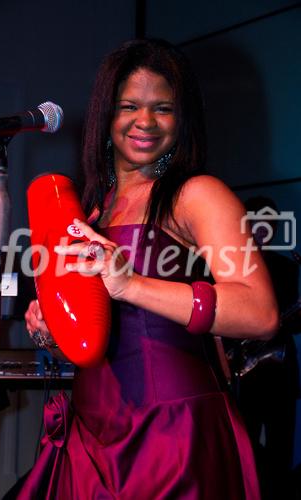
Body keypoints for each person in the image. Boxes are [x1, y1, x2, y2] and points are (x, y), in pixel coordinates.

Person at [19, 39, 278, 499]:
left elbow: (260, 313)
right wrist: (51, 331)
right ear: (106, 115)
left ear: (182, 120)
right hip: (91, 442)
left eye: (163, 108)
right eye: (129, 106)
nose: (145, 122)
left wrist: (132, 284)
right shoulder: (91, 212)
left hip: (174, 441)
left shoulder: (197, 194)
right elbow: (102, 348)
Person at [228, 196, 300, 500]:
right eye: (256, 225)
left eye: (268, 226)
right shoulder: (232, 269)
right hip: (248, 370)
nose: (262, 232)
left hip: (279, 370)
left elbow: (292, 321)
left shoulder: (285, 266)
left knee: (281, 445)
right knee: (247, 448)